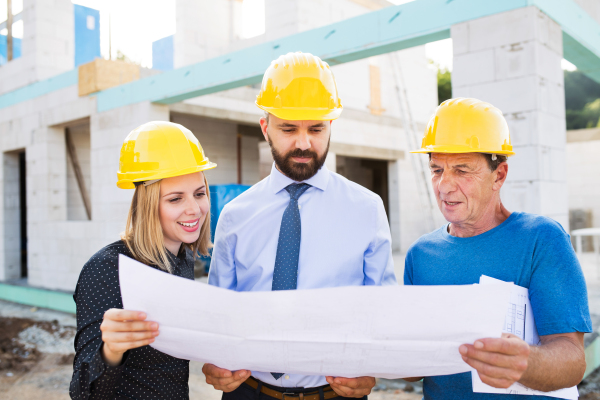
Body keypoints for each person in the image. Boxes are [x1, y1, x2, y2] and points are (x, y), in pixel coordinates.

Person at [204, 51, 397, 400]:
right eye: (289, 128)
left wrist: (372, 369)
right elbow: (219, 315)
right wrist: (214, 361)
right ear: (266, 128)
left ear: (331, 127)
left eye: (316, 128)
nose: (304, 143)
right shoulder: (235, 215)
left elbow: (380, 311)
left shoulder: (367, 209)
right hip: (249, 392)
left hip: (336, 395)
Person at [403, 97, 592, 399]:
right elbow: (413, 369)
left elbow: (572, 360)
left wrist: (526, 362)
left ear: (499, 175)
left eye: (462, 170)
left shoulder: (541, 240)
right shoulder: (421, 255)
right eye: (437, 169)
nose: (444, 186)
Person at [69, 121, 216, 399]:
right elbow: (81, 392)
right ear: (148, 205)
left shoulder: (182, 259)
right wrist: (110, 352)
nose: (194, 209)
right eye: (175, 199)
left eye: (199, 194)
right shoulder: (108, 268)